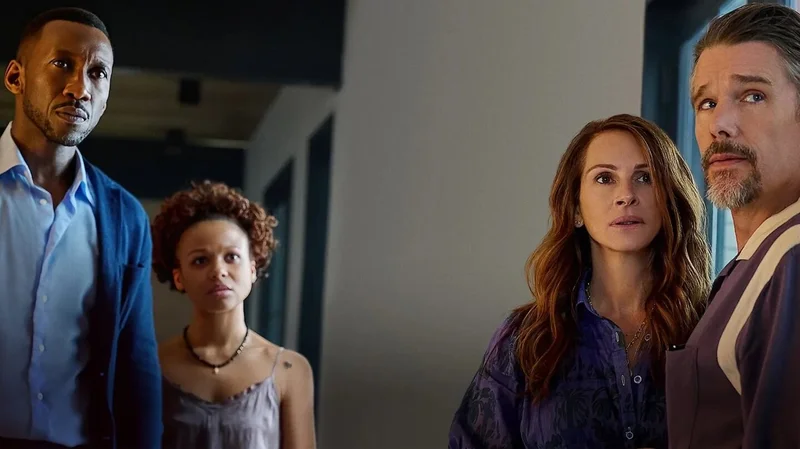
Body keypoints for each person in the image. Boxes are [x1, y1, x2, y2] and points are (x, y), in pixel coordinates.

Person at [448, 114, 712, 449]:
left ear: (669, 199)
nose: (626, 195)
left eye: (644, 177)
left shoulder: (710, 328)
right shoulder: (524, 338)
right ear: (575, 209)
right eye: (604, 178)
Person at [0, 7, 161, 449]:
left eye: (97, 73)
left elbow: (136, 366)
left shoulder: (125, 217)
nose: (80, 88)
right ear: (15, 77)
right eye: (62, 64)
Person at [665, 4, 800, 449]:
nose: (719, 125)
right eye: (707, 103)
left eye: (753, 96)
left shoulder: (793, 261)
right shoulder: (760, 258)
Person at [151, 181, 316, 449]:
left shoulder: (289, 369)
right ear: (179, 277)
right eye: (200, 260)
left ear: (252, 269)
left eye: (231, 257)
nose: (218, 271)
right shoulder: (152, 365)